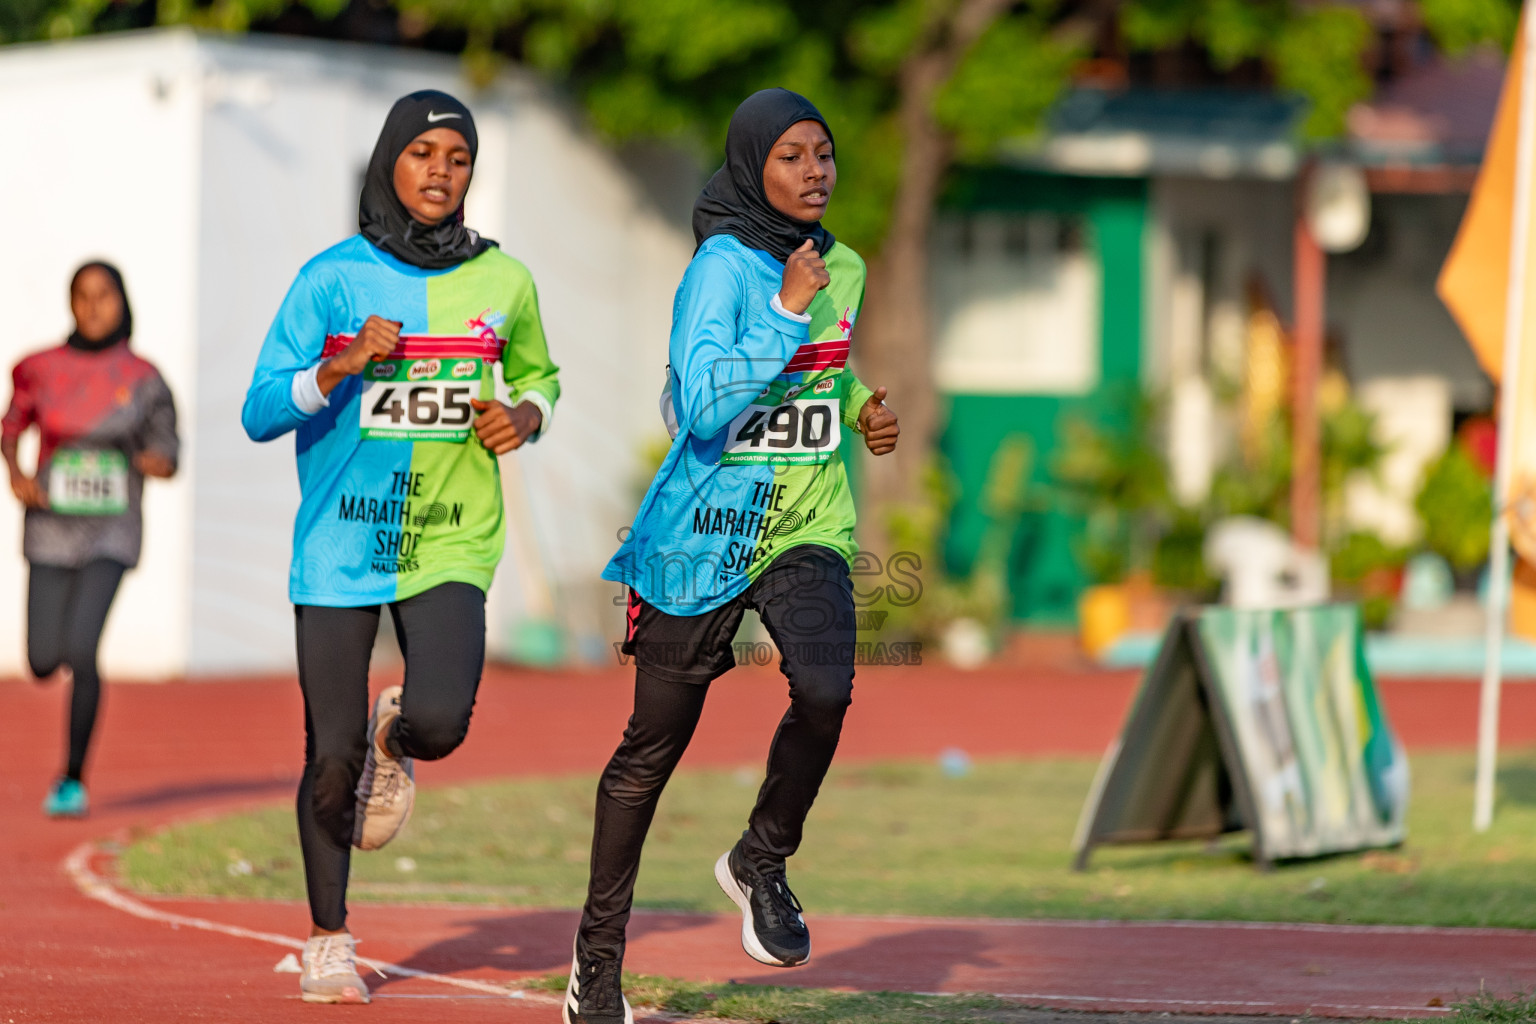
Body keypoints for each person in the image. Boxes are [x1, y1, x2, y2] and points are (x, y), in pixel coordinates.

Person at [563, 88, 900, 1024]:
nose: (816, 171)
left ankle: (761, 856)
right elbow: (704, 405)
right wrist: (787, 310)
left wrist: (863, 401)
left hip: (805, 523)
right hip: (703, 536)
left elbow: (827, 368)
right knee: (650, 754)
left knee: (827, 688)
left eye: (824, 154)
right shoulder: (719, 269)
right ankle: (597, 962)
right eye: (792, 156)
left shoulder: (849, 268)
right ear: (753, 165)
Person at [241, 90, 559, 1006]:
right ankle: (329, 940)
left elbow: (540, 373)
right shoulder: (331, 280)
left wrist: (524, 415)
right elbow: (261, 408)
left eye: (457, 158)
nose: (439, 172)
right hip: (342, 544)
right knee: (331, 756)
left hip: (451, 536)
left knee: (446, 722)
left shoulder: (504, 281)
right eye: (422, 154)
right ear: (389, 162)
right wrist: (337, 367)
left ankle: (403, 731)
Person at [2, 261, 179, 819]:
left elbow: (168, 456)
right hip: (51, 526)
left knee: (82, 650)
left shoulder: (144, 378)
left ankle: (72, 778)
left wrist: (149, 461)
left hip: (112, 529)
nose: (94, 306)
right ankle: (68, 756)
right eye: (83, 296)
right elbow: (11, 429)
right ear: (70, 304)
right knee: (41, 660)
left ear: (122, 302)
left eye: (104, 296)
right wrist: (17, 473)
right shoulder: (38, 368)